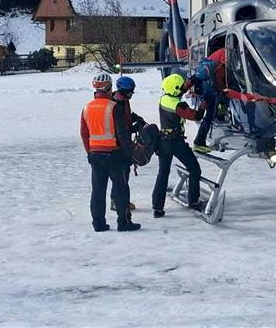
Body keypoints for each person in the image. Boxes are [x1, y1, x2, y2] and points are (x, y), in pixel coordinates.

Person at [80, 72, 141, 232]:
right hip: (114, 155)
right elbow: (121, 133)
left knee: (98, 191)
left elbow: (84, 133)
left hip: (95, 155)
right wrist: (129, 154)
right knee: (121, 189)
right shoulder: (113, 107)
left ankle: (99, 224)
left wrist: (89, 152)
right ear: (108, 88)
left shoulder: (87, 108)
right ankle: (123, 222)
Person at [152, 73, 205, 218]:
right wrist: (203, 106)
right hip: (175, 142)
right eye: (182, 87)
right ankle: (193, 201)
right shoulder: (179, 105)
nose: (184, 88)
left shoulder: (164, 99)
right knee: (194, 169)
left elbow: (177, 90)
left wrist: (190, 82)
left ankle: (157, 207)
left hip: (163, 140)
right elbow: (196, 116)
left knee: (163, 173)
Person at [110, 76, 144, 214]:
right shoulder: (115, 104)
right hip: (118, 144)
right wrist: (134, 129)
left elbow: (127, 115)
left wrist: (136, 118)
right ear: (123, 91)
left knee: (125, 173)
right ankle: (118, 202)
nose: (132, 94)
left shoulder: (124, 101)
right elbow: (120, 130)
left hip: (125, 141)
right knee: (121, 174)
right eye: (130, 91)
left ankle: (118, 200)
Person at [192, 48, 227, 153]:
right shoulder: (222, 62)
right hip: (210, 92)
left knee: (209, 115)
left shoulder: (214, 59)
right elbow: (218, 78)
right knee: (208, 117)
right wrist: (222, 90)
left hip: (205, 90)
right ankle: (199, 142)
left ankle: (219, 117)